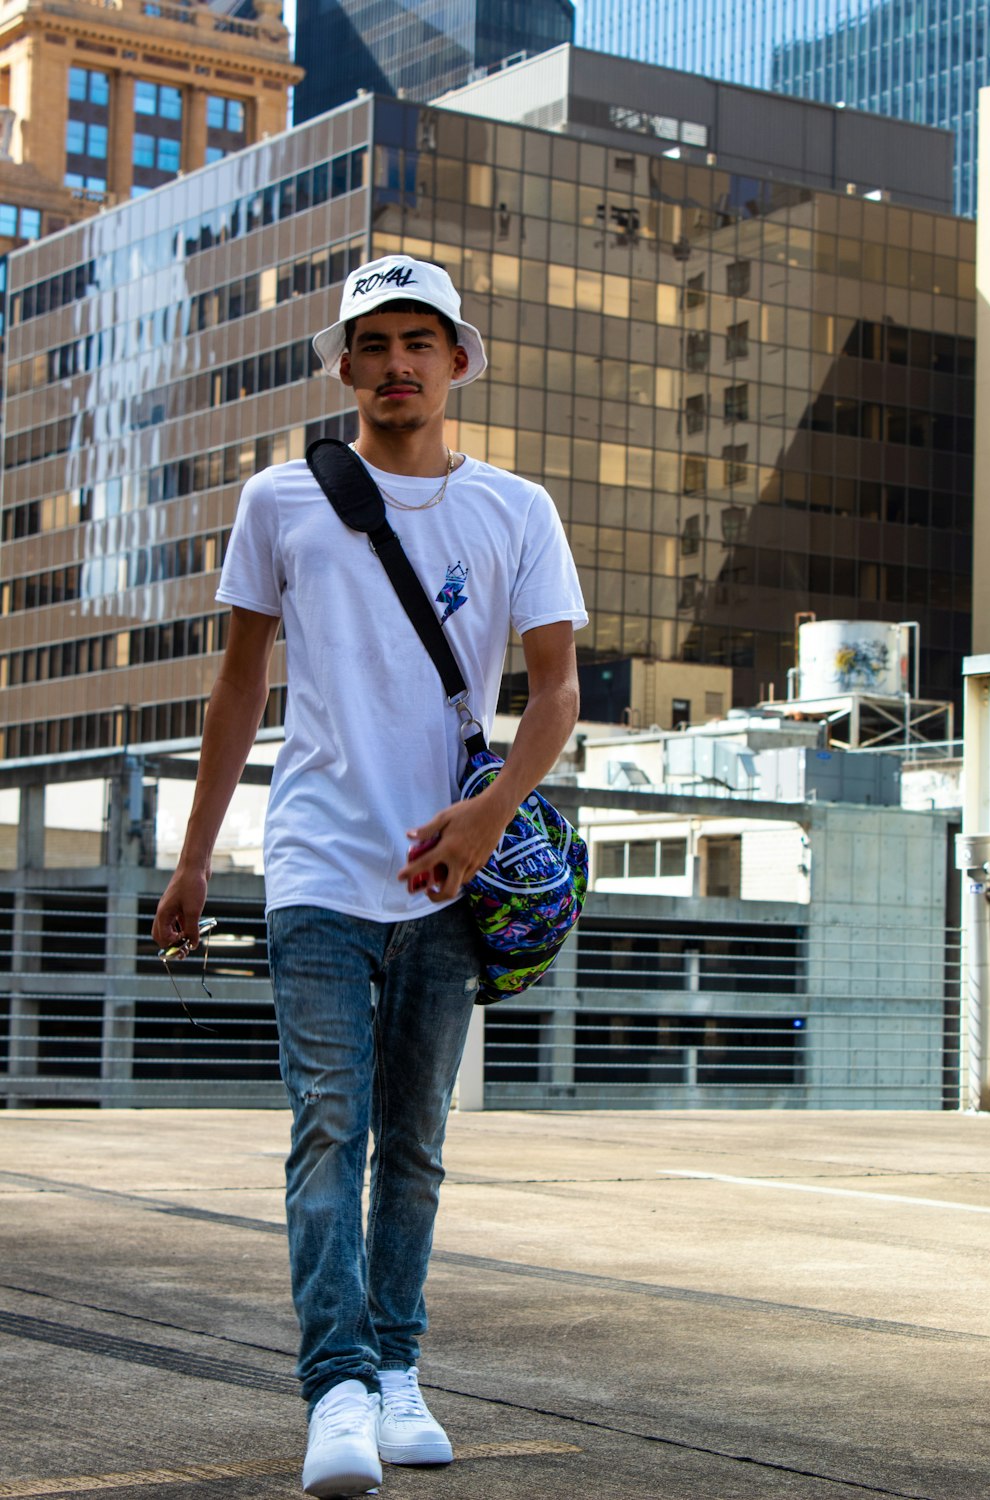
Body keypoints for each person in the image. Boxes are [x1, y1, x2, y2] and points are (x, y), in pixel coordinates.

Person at [152, 254, 587, 1498]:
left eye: (420, 341)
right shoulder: (280, 502)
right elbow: (239, 685)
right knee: (327, 1128)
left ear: (457, 361)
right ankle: (336, 1388)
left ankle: (399, 1370)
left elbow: (554, 692)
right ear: (343, 364)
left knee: (418, 1144)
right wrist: (194, 858)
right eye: (375, 342)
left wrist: (481, 818)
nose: (397, 363)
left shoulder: (516, 510)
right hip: (317, 865)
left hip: (451, 874)